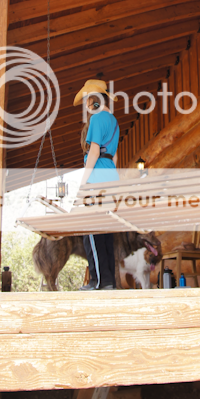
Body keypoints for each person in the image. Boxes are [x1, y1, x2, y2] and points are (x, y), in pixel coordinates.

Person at [73, 79, 120, 291]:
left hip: (96, 181)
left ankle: (99, 281)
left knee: (91, 232)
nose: (85, 105)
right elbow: (115, 157)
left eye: (86, 100)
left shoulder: (97, 119)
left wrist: (83, 184)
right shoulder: (113, 121)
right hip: (110, 178)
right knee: (105, 232)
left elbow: (93, 152)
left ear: (95, 100)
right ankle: (108, 281)